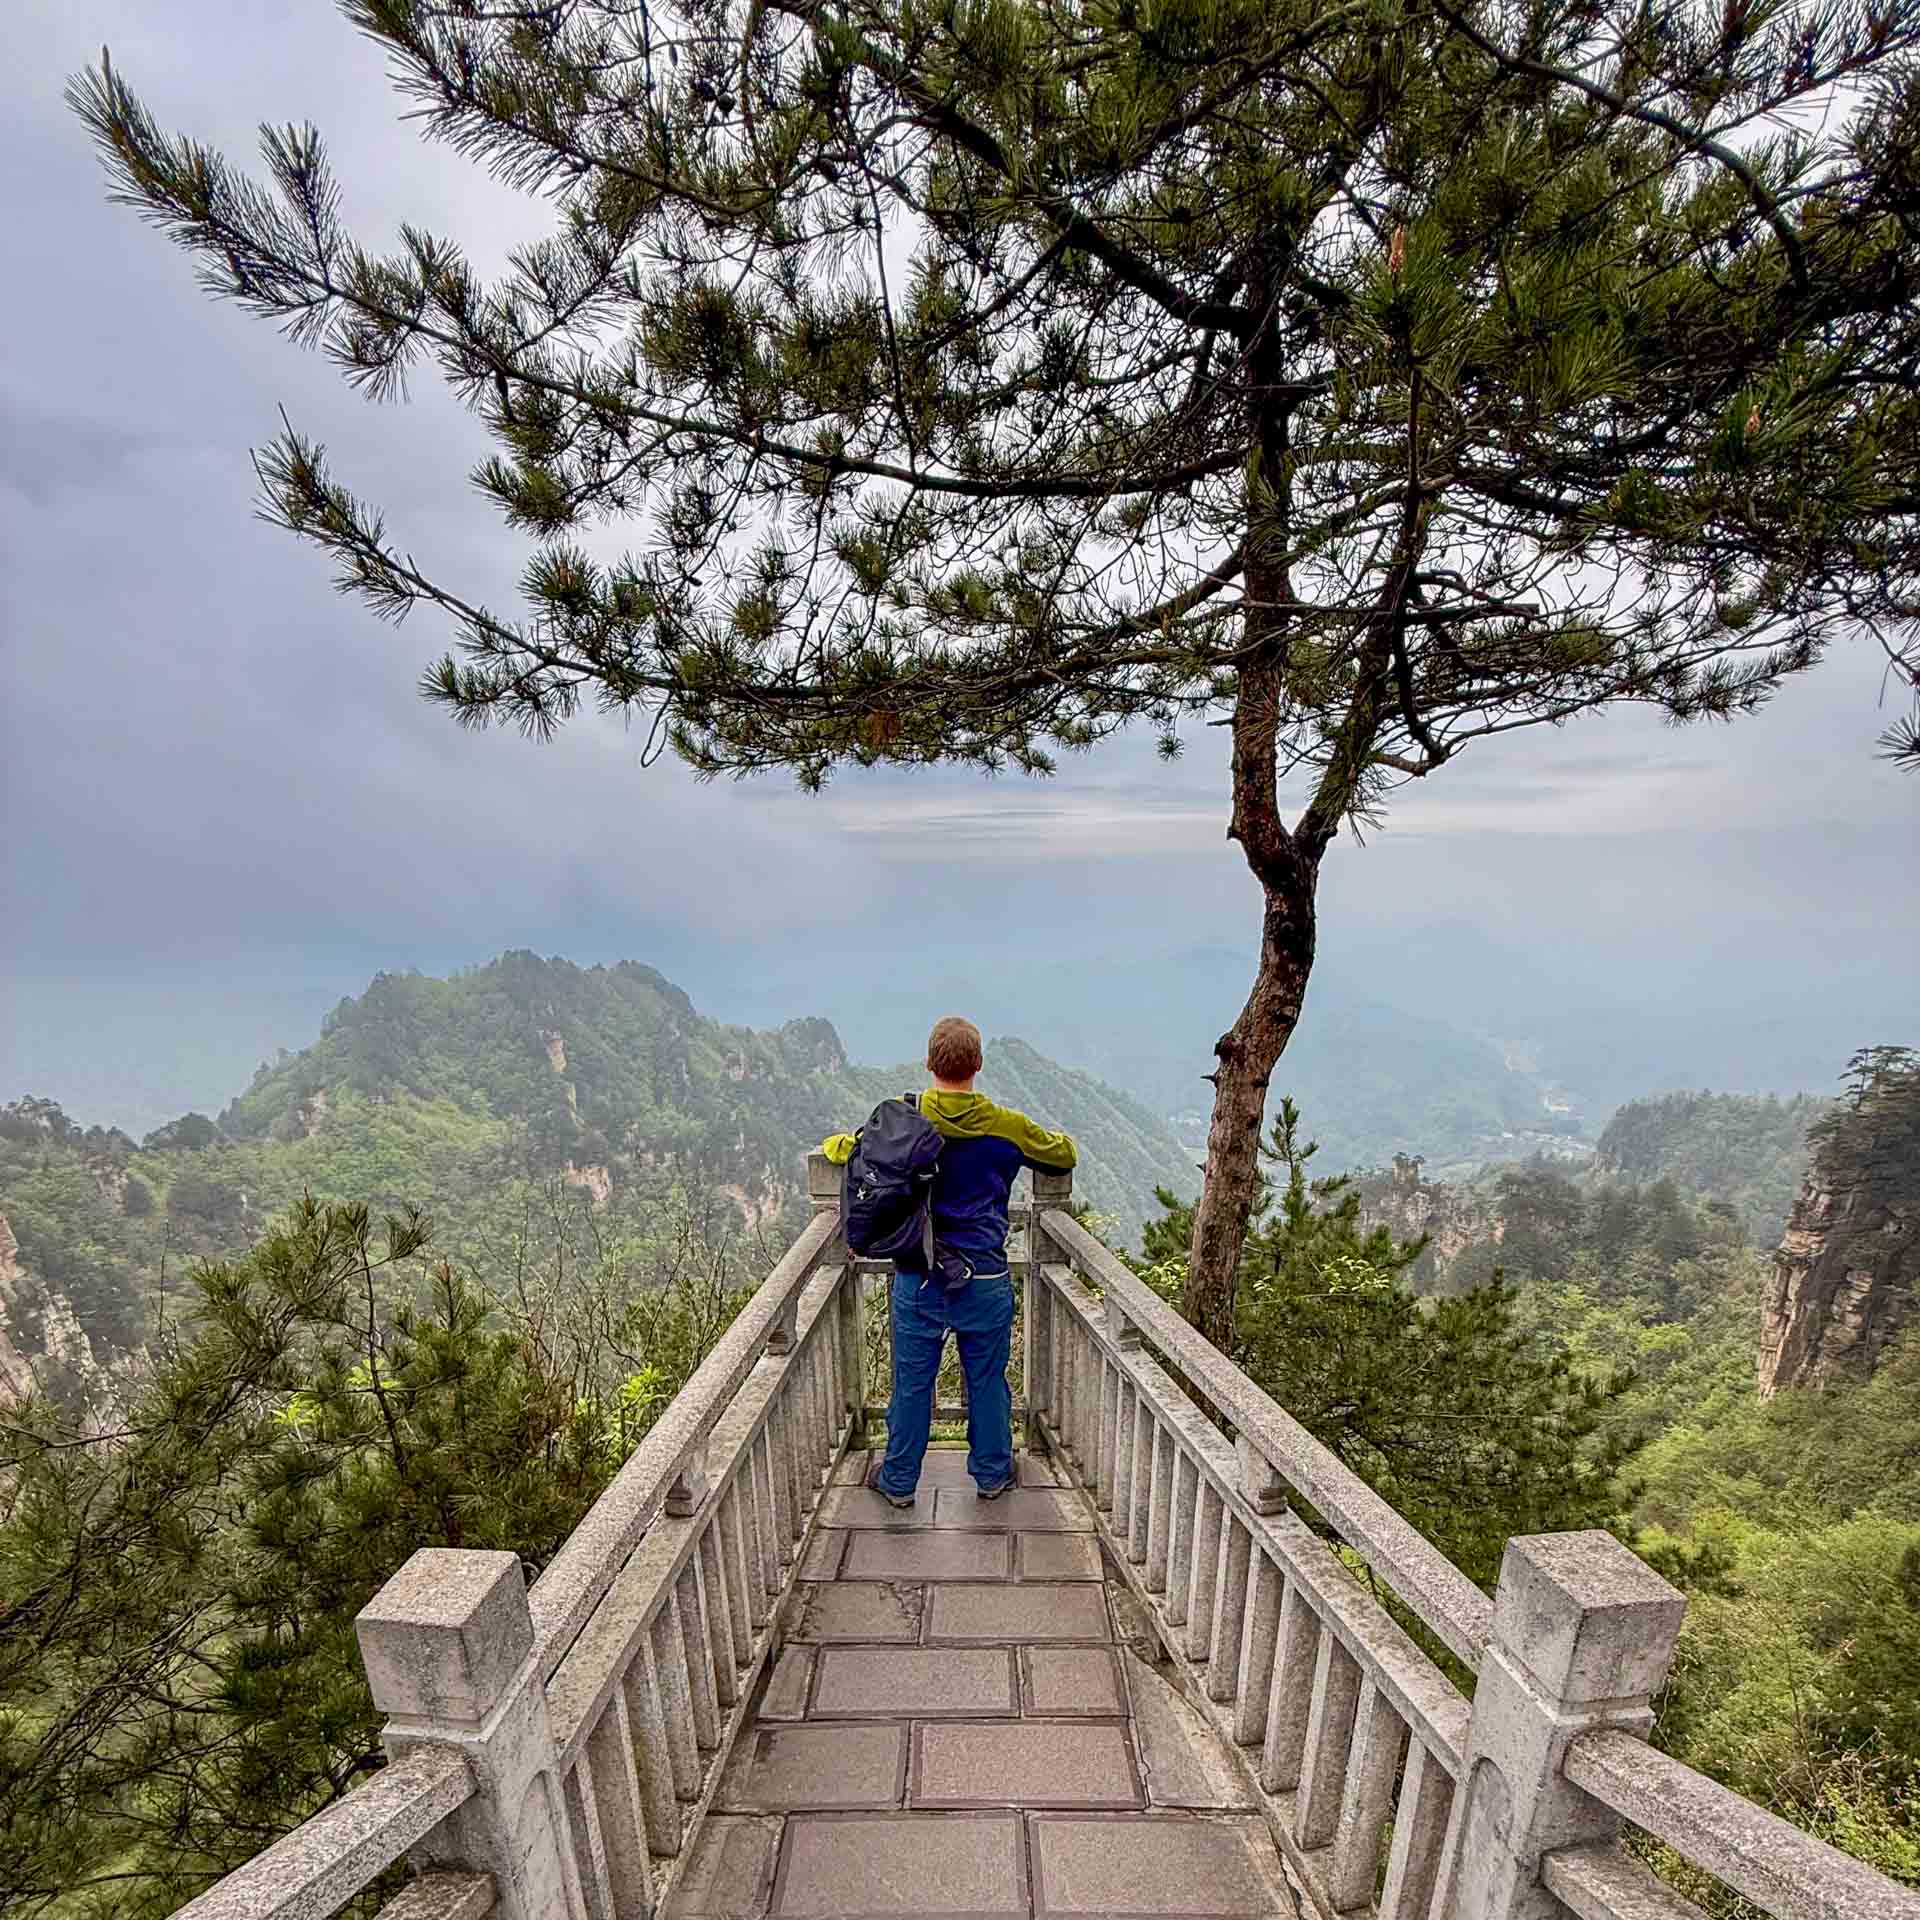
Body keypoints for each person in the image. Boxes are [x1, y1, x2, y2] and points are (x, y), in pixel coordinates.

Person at [820, 1016, 1077, 1505]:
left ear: (928, 1064)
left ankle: (897, 1483)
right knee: (987, 1382)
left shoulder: (903, 1122)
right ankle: (992, 1474)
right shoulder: (1007, 1127)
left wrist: (835, 1145)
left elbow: (847, 1148)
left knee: (913, 1385)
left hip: (920, 1276)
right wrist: (1060, 1137)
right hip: (985, 1278)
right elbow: (1062, 1156)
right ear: (978, 1065)